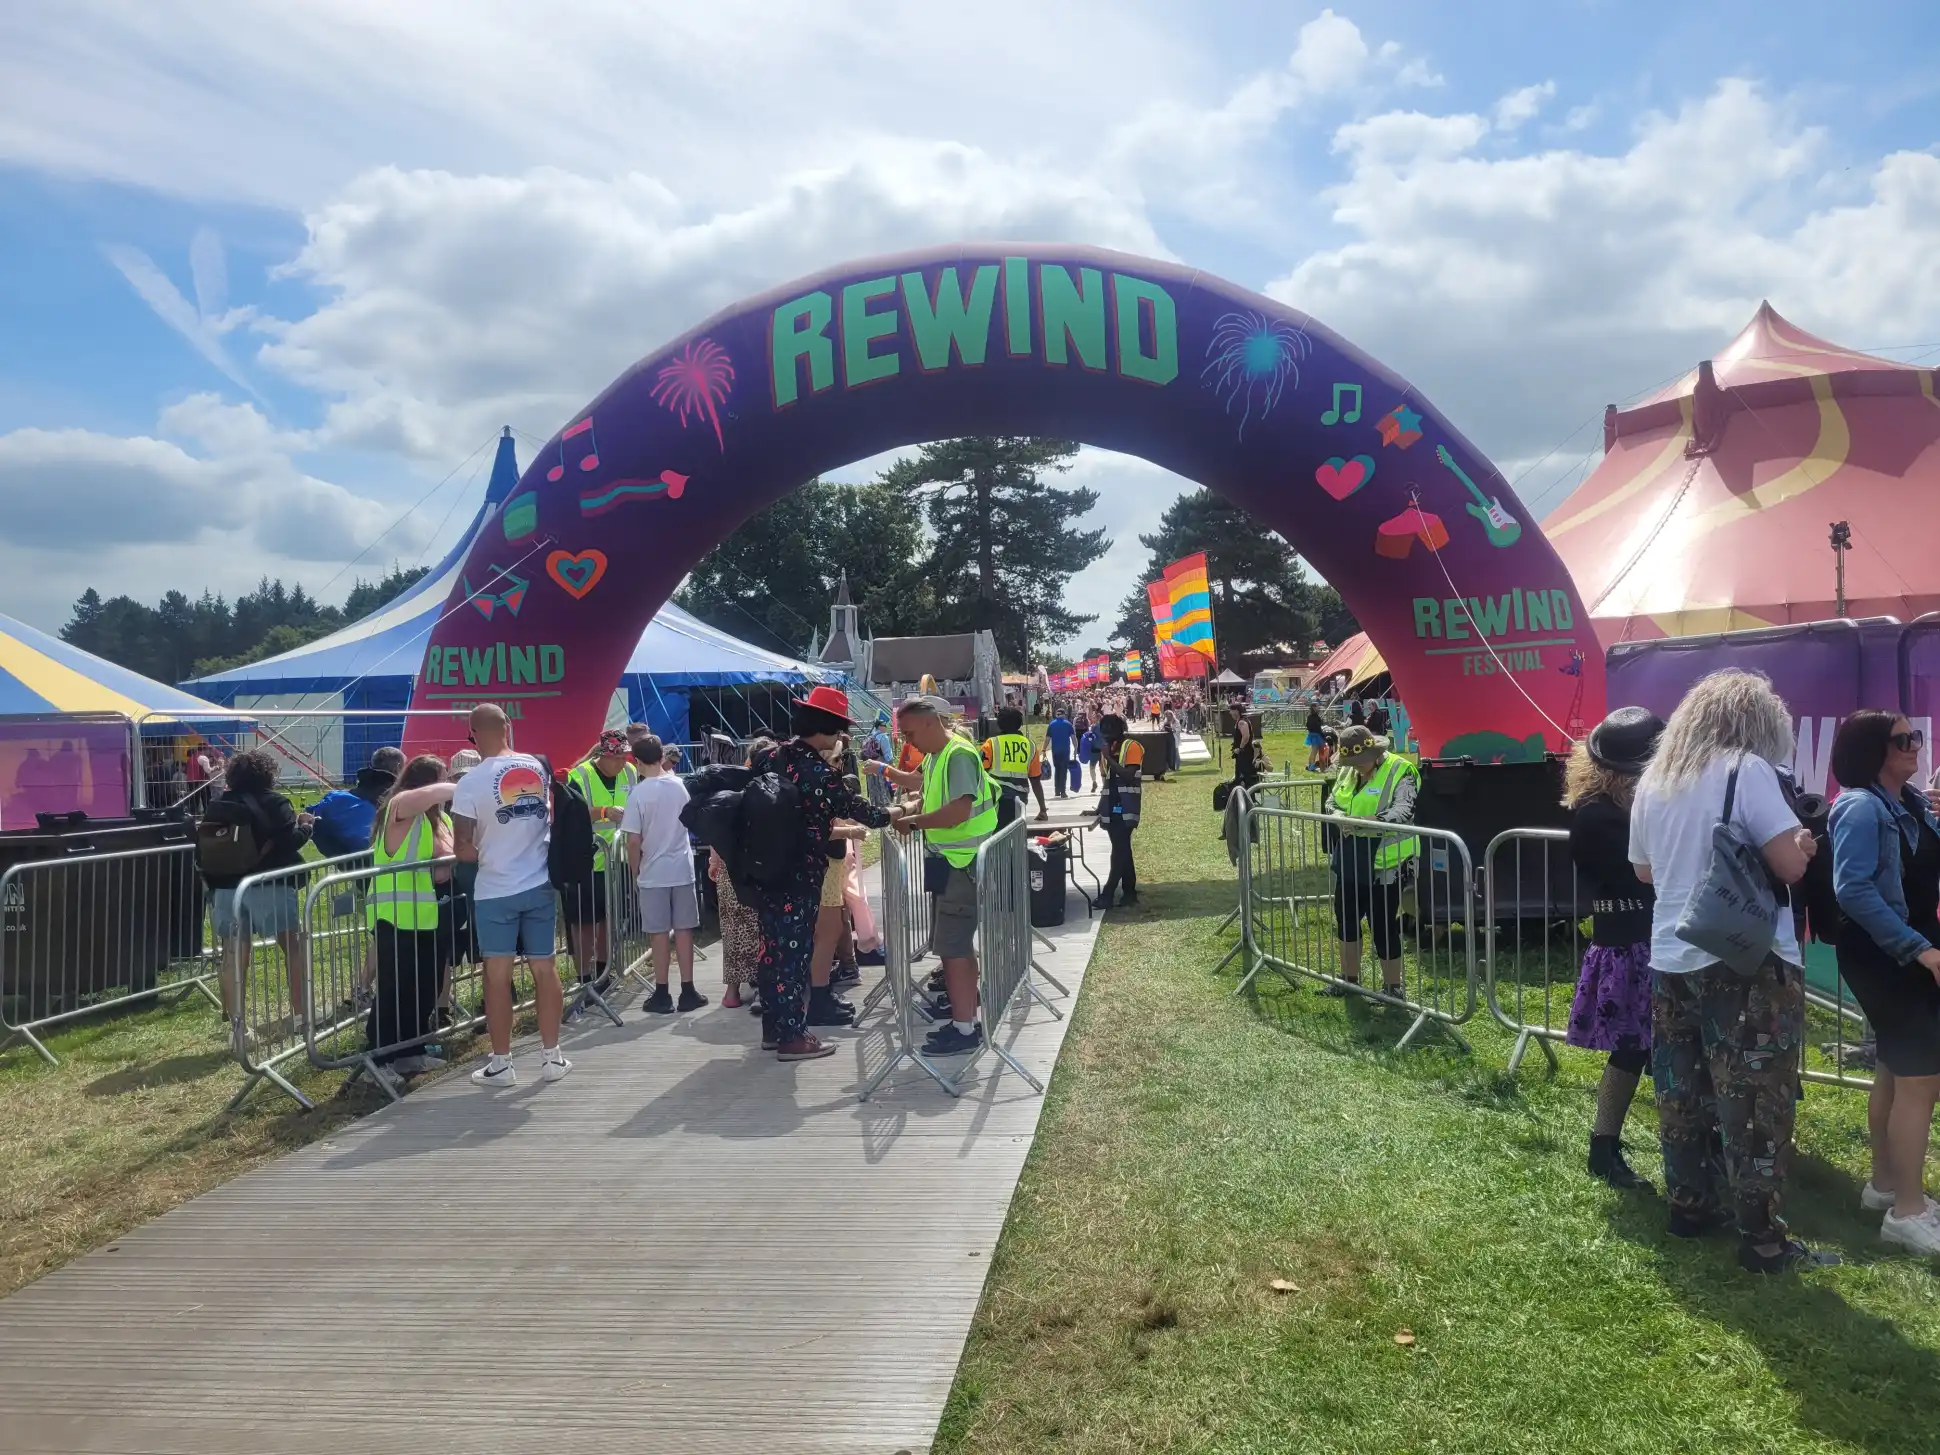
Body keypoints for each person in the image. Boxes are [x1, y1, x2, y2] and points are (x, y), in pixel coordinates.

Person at [1628, 669, 1833, 1274]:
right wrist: (1804, 842)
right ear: (1757, 722)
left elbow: (1643, 871)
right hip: (1746, 957)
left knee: (1681, 1091)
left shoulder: (1655, 780)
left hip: (1672, 952)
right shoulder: (1748, 770)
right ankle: (1763, 1237)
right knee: (1754, 1100)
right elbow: (1788, 866)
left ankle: (1689, 1208)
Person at [1829, 711, 1940, 1255]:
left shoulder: (1911, 804)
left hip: (1911, 951)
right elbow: (1851, 889)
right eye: (1903, 740)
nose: (1915, 745)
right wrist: (1918, 950)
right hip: (1890, 956)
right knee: (1921, 1078)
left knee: (1896, 1070)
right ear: (1874, 750)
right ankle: (1907, 1212)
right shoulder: (1859, 806)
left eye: (1915, 736)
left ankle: (1886, 1185)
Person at [750, 687, 892, 1061]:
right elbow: (855, 808)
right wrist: (894, 813)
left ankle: (773, 1028)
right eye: (839, 728)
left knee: (771, 951)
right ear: (828, 728)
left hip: (765, 868)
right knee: (794, 955)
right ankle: (793, 1038)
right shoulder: (816, 771)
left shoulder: (771, 757)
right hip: (799, 872)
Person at [1562, 708, 1665, 1192]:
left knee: (1642, 1049)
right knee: (1633, 1049)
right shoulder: (1598, 815)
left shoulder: (1613, 809)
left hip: (1643, 938)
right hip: (1630, 943)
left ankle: (1612, 1146)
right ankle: (1604, 1146)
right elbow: (1642, 871)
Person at [450, 703, 570, 1088]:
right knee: (545, 969)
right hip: (538, 883)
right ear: (508, 727)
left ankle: (502, 1064)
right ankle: (552, 1057)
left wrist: (490, 850)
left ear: (472, 735)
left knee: (496, 977)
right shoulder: (536, 767)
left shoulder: (469, 783)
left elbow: (463, 848)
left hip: (495, 890)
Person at [889, 695, 998, 1056]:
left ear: (930, 723)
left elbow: (957, 812)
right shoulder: (938, 756)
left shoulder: (958, 754)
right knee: (958, 949)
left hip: (961, 864)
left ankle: (965, 1028)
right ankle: (964, 1018)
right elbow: (933, 799)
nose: (907, 742)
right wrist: (909, 808)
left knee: (954, 949)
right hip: (952, 863)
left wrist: (914, 821)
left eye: (909, 733)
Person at [201, 749, 316, 1040]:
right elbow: (288, 842)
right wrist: (306, 827)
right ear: (268, 774)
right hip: (269, 882)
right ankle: (302, 1015)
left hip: (227, 888)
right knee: (292, 946)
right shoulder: (275, 802)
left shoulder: (218, 805)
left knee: (233, 954)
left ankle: (238, 1027)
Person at [366, 754, 456, 1081]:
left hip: (426, 913)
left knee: (424, 985)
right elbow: (429, 795)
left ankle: (411, 1051)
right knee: (394, 986)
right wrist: (462, 784)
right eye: (443, 777)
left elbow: (448, 855)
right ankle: (378, 1057)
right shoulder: (400, 805)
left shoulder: (439, 819)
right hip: (394, 914)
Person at [1321, 725, 1419, 999]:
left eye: (1359, 763)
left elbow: (1404, 809)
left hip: (1386, 864)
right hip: (1351, 859)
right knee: (1346, 919)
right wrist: (1339, 816)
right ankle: (1349, 981)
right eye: (1349, 764)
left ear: (1375, 753)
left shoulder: (1402, 771)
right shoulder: (1348, 770)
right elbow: (1332, 801)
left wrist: (1369, 822)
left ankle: (1393, 989)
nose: (1355, 768)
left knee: (1383, 925)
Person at [617, 734, 707, 1015]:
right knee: (684, 930)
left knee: (657, 934)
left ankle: (662, 992)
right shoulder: (680, 786)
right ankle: (689, 989)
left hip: (653, 872)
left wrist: (635, 870)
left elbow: (633, 840)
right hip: (682, 867)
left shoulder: (639, 793)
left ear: (637, 761)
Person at [565, 729, 640, 1000]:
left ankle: (604, 973)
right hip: (586, 861)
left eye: (624, 757)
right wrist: (604, 812)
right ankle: (583, 978)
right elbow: (570, 815)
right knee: (584, 923)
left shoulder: (630, 772)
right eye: (616, 758)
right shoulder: (580, 775)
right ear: (602, 756)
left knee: (610, 920)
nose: (622, 762)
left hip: (616, 859)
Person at [1095, 714, 1145, 910]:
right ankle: (1129, 892)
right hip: (1112, 807)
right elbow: (1109, 781)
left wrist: (1107, 756)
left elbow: (1128, 775)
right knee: (1123, 850)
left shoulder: (1132, 747)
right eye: (1103, 732)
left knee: (1119, 852)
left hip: (1127, 807)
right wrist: (1098, 808)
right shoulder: (1112, 748)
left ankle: (1108, 894)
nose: (1105, 737)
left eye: (1109, 732)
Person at [983, 706, 1048, 824]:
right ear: (1020, 724)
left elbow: (979, 773)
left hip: (997, 799)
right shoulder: (1030, 745)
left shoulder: (991, 744)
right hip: (1020, 800)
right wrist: (1042, 809)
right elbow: (1035, 781)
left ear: (999, 723)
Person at [1046, 705, 1075, 800]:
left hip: (1055, 751)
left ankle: (1057, 790)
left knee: (1057, 770)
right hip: (1065, 751)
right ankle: (1063, 791)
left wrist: (1043, 749)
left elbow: (1047, 739)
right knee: (1063, 771)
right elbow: (1073, 738)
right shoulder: (1068, 724)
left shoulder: (1051, 724)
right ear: (1064, 715)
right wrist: (1076, 748)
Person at [1079, 717, 1102, 794]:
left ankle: (1094, 781)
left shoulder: (1094, 727)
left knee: (1092, 767)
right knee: (1103, 769)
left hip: (1094, 750)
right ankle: (1104, 785)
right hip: (1103, 750)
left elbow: (1090, 736)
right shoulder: (1106, 727)